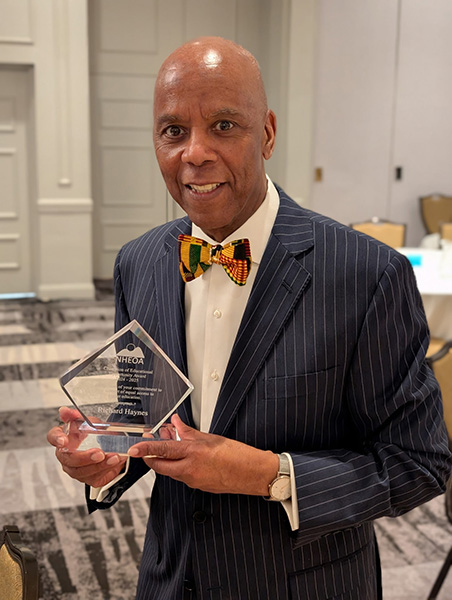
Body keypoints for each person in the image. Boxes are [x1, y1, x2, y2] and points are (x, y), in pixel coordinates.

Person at [48, 37, 451, 600]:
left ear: (266, 132)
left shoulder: (366, 275)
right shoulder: (137, 263)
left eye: (223, 126)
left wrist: (266, 474)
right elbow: (141, 421)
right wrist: (103, 459)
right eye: (173, 131)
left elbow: (419, 462)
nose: (194, 153)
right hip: (170, 578)